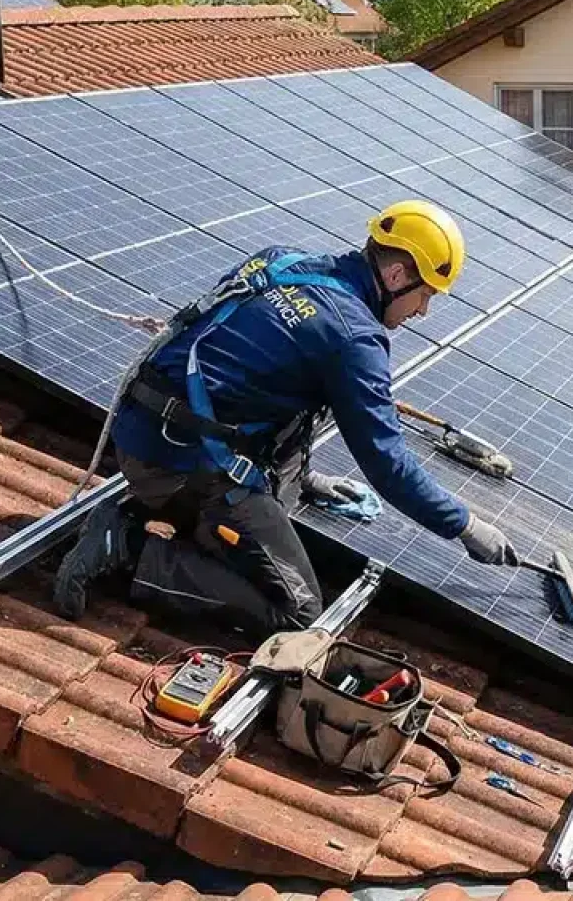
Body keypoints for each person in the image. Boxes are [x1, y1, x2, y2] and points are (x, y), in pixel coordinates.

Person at [54, 199, 517, 632]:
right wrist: (464, 525)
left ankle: (183, 508)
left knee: (294, 424)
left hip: (143, 428)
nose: (423, 310)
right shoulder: (354, 338)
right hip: (178, 466)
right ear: (396, 275)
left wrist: (306, 480)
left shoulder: (285, 261)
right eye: (426, 294)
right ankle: (129, 547)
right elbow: (386, 462)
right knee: (297, 609)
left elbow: (247, 372)